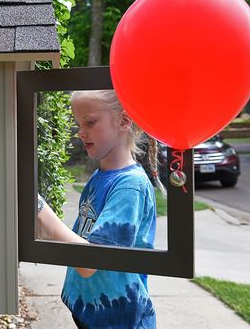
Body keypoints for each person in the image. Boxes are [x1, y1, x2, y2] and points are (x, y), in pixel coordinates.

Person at [36, 89, 165, 329]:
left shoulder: (130, 186)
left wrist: (40, 209)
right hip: (94, 314)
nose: (80, 132)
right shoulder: (101, 175)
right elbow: (79, 240)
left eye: (90, 122)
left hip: (119, 320)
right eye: (78, 124)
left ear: (124, 120)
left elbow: (89, 263)